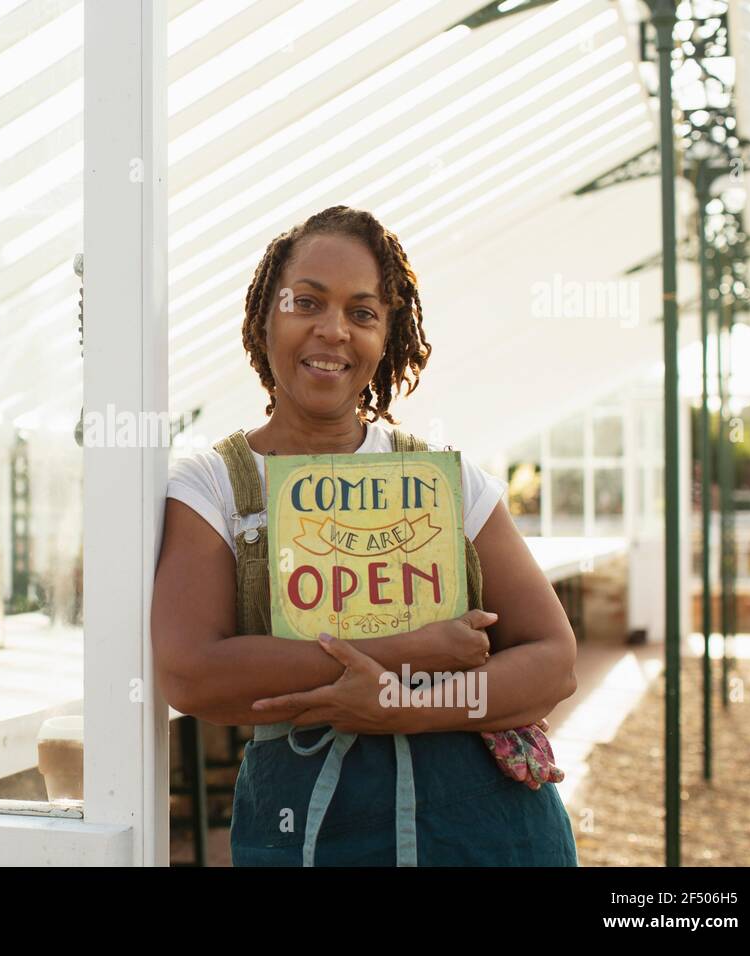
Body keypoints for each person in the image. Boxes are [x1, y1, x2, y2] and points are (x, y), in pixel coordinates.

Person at [152, 206, 579, 866]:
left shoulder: (446, 479)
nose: (333, 330)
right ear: (265, 313)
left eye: (363, 312)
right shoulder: (212, 486)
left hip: (491, 836)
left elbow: (554, 660)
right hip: (307, 836)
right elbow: (193, 673)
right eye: (307, 302)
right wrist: (411, 649)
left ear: (387, 337)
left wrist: (403, 707)